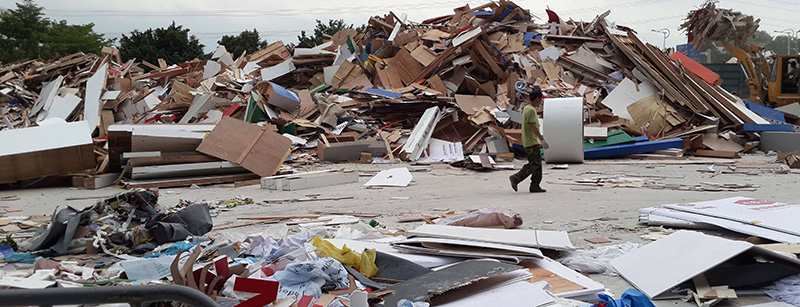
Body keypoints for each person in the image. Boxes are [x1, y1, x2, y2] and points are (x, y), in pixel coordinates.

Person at [509, 83, 549, 193]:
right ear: (536, 99)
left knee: (537, 164)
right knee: (534, 163)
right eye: (541, 99)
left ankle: (535, 185)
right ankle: (516, 178)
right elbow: (533, 126)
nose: (541, 101)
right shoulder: (531, 110)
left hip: (530, 141)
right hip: (531, 142)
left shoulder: (528, 108)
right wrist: (541, 139)